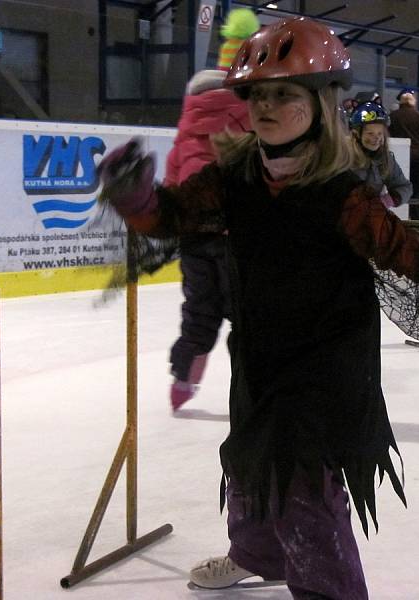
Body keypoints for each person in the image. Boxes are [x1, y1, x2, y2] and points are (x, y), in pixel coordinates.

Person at [96, 17, 419, 599]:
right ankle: (259, 554)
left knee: (306, 495)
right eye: (259, 95)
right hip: (262, 355)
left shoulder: (341, 194)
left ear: (320, 104)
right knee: (249, 464)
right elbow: (171, 216)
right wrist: (137, 198)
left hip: (327, 368)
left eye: (284, 95)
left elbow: (408, 252)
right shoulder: (236, 177)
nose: (266, 106)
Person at [164, 9, 258, 411]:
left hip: (194, 236)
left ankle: (183, 379)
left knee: (200, 312)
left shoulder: (188, 124)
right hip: (237, 234)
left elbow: (172, 178)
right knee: (249, 316)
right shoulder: (253, 114)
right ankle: (253, 390)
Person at [348, 101, 412, 207]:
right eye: (370, 133)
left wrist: (386, 201)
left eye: (380, 133)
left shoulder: (384, 158)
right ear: (356, 134)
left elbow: (404, 186)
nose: (376, 138)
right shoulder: (343, 158)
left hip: (370, 217)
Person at [388, 88, 419, 219]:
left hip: (399, 157)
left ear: (400, 102)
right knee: (416, 191)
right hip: (418, 158)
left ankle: (399, 218)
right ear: (413, 102)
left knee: (397, 188)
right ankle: (417, 221)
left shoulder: (393, 117)